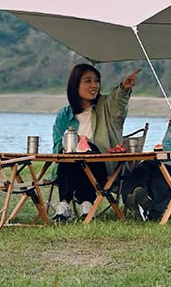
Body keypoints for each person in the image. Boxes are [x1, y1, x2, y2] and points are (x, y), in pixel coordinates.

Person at [51, 63, 141, 222]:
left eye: (96, 81)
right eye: (88, 81)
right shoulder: (64, 115)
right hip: (69, 166)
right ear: (75, 85)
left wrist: (124, 88)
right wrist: (72, 145)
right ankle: (65, 206)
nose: (94, 85)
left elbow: (118, 102)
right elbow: (57, 145)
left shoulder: (106, 106)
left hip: (104, 165)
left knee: (87, 150)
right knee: (69, 155)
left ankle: (85, 203)